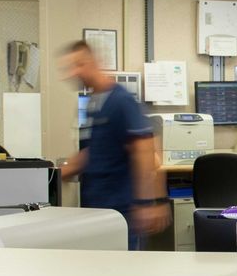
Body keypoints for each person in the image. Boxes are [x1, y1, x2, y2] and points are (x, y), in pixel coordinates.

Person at [58, 40, 167, 250]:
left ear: (92, 63)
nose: (72, 73)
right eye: (69, 68)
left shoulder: (121, 101)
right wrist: (53, 174)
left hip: (122, 211)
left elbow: (145, 152)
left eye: (77, 65)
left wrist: (148, 203)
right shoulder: (93, 103)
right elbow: (92, 152)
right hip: (97, 208)